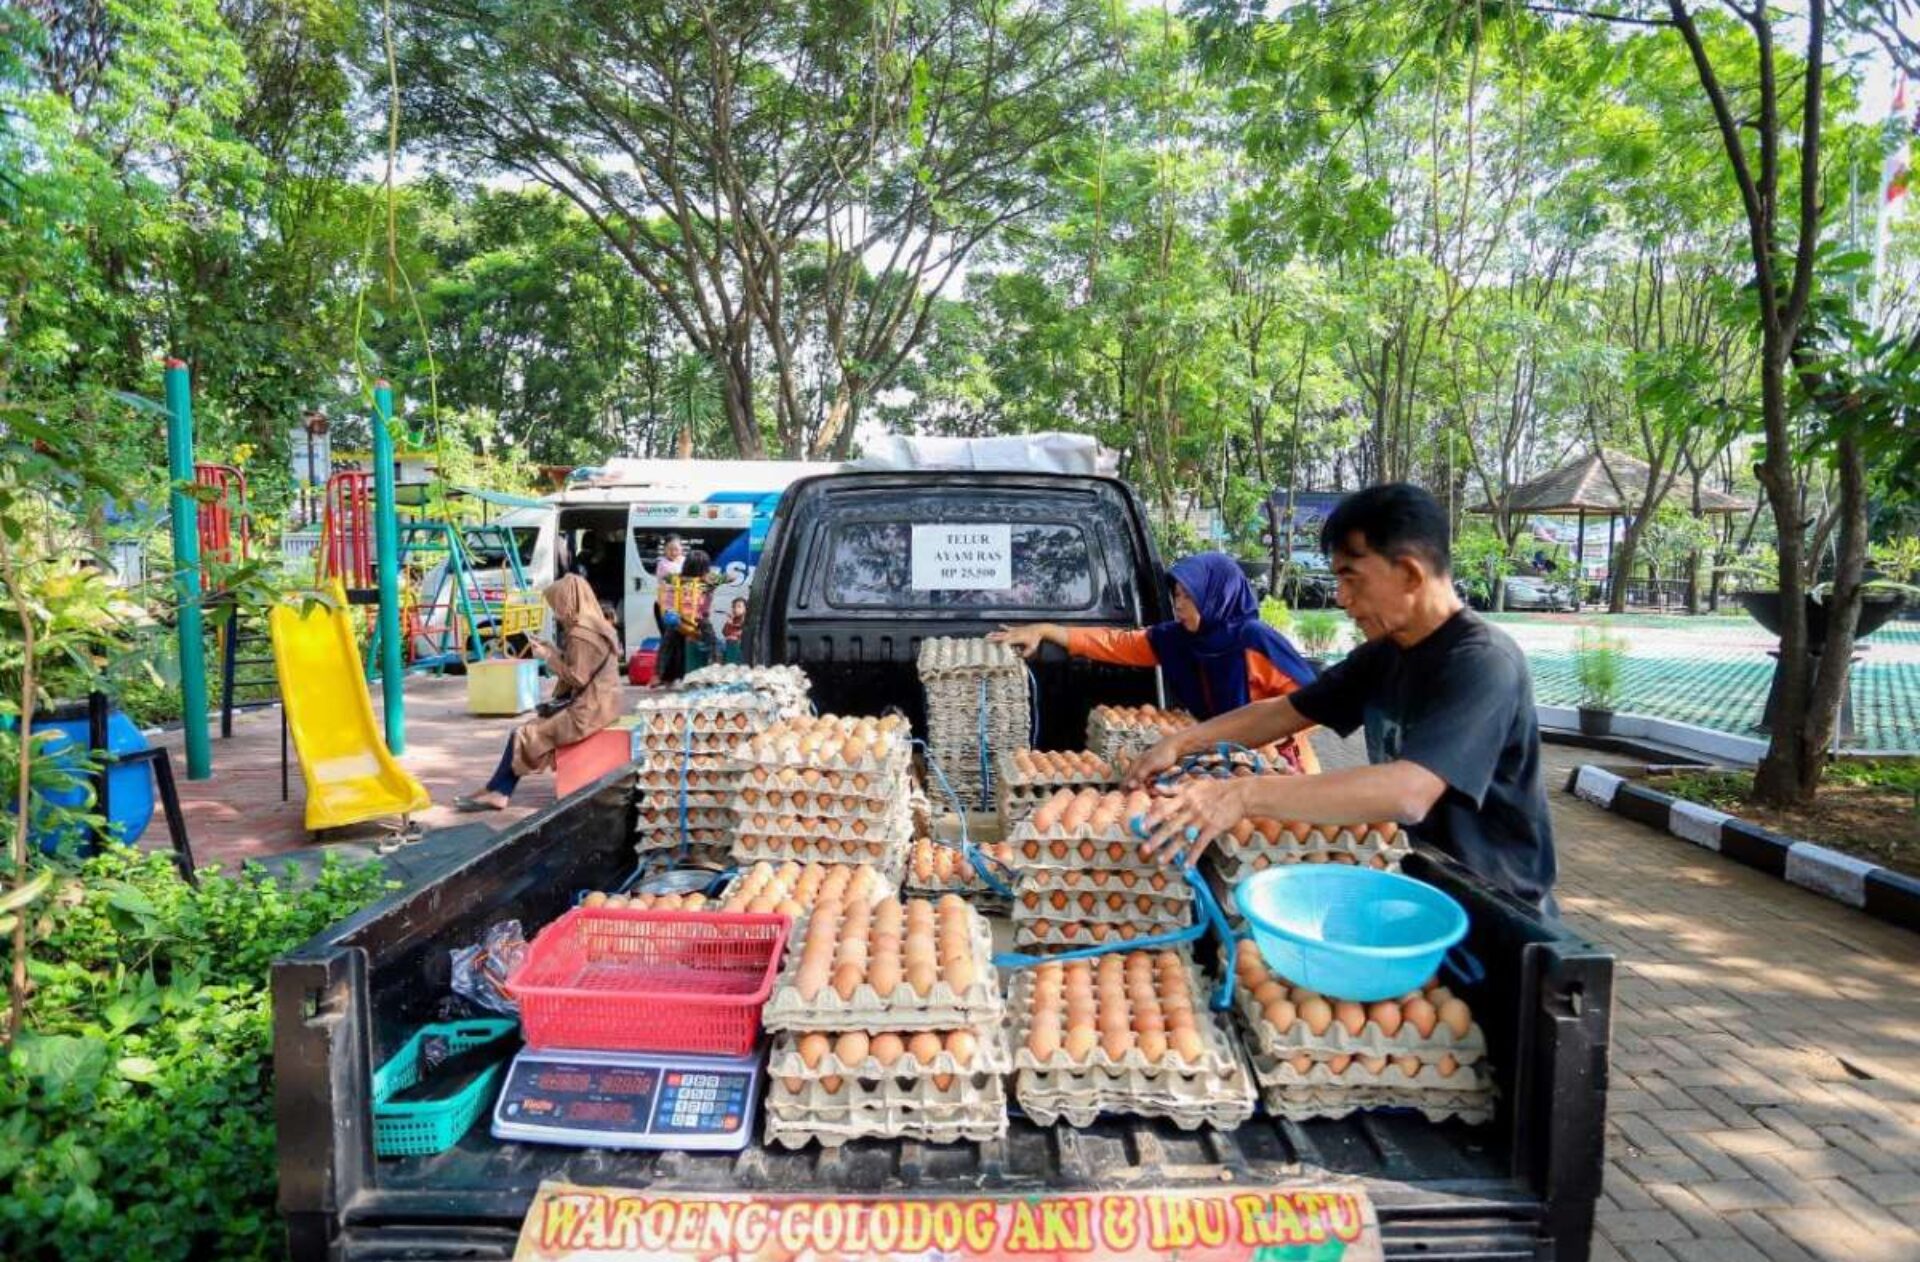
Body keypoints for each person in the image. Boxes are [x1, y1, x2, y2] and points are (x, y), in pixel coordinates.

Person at [1129, 484, 1557, 914]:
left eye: (1351, 578)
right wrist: (1179, 744)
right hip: (1427, 888)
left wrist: (1242, 795)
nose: (1341, 599)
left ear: (1409, 573)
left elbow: (1409, 791)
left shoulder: (1483, 662)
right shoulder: (1385, 654)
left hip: (1499, 909)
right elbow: (1281, 713)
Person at [990, 551, 1321, 773]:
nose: (1179, 605)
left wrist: (1265, 738)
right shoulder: (1175, 640)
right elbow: (1111, 643)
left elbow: (1316, 705)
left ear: (1216, 596)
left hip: (1282, 764)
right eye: (1176, 595)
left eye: (1189, 597)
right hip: (1224, 761)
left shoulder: (1254, 640)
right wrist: (1046, 630)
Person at [455, 575, 623, 811]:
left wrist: (548, 657)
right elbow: (585, 666)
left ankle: (499, 792)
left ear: (567, 601)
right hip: (605, 703)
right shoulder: (599, 624)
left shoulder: (580, 633)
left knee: (524, 734)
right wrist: (554, 650)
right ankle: (495, 789)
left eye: (556, 605)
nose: (555, 612)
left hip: (590, 710)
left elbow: (578, 677)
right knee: (527, 731)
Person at [655, 549, 716, 684]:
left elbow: (728, 578)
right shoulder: (679, 579)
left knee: (667, 644)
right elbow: (665, 580)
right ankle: (658, 674)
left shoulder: (707, 581)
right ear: (704, 568)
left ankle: (658, 674)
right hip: (680, 617)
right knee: (669, 642)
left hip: (698, 617)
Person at [721, 596, 748, 664]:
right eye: (733, 607)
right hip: (731, 650)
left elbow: (742, 630)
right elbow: (725, 633)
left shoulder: (747, 620)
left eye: (739, 607)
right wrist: (729, 622)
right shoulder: (733, 620)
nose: (735, 609)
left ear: (745, 608)